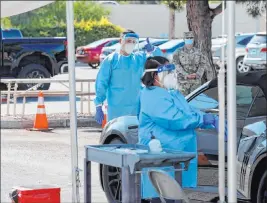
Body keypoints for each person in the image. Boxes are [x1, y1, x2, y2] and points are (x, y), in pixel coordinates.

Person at [138, 56, 227, 201]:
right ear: (155, 75)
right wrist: (202, 120)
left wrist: (209, 119)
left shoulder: (171, 93)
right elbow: (175, 119)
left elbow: (188, 112)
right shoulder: (152, 96)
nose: (173, 76)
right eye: (169, 72)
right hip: (162, 154)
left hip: (174, 155)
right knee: (160, 193)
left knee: (173, 193)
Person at [94, 30, 163, 124]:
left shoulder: (139, 59)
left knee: (135, 136)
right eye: (129, 41)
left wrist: (154, 50)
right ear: (120, 41)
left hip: (136, 108)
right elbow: (101, 83)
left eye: (134, 42)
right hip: (116, 109)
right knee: (118, 135)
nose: (131, 44)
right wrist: (98, 104)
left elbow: (160, 62)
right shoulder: (111, 60)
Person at [172, 31, 210, 96]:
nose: (189, 39)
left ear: (193, 39)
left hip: (195, 82)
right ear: (184, 39)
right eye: (187, 38)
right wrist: (186, 74)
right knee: (184, 101)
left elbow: (202, 64)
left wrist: (197, 74)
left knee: (196, 101)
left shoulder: (199, 52)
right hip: (183, 82)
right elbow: (176, 64)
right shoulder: (178, 52)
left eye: (191, 38)